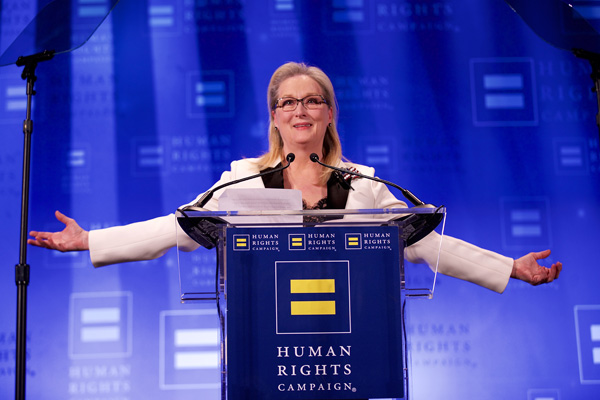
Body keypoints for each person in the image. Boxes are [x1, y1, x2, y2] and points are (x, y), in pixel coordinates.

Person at [28, 62, 562, 293]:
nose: (300, 110)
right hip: (264, 336)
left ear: (330, 113)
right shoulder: (240, 183)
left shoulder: (366, 186)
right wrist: (88, 240)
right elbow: (175, 229)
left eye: (313, 100)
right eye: (289, 102)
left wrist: (509, 268)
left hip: (349, 334)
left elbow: (425, 246)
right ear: (276, 117)